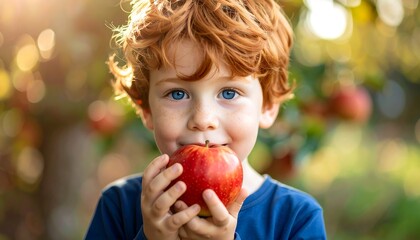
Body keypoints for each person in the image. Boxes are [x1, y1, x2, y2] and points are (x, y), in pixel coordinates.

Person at [85, 0, 327, 239]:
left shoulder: (296, 218)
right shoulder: (119, 206)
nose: (203, 119)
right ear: (146, 110)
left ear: (268, 105)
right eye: (177, 94)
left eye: (229, 93)